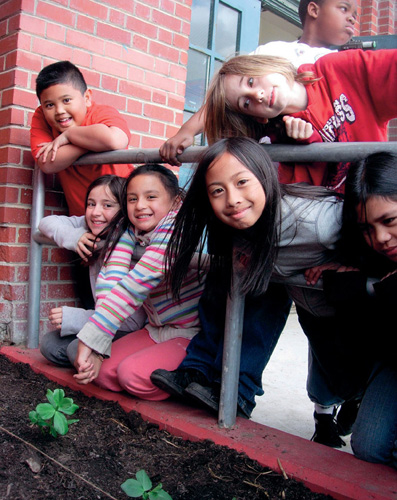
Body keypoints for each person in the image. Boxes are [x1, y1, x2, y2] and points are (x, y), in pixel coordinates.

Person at [151, 138, 366, 430]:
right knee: (327, 382)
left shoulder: (317, 221)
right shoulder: (236, 223)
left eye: (242, 182)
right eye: (217, 191)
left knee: (347, 382)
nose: (232, 199)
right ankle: (205, 375)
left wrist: (351, 260)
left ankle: (359, 400)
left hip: (345, 309)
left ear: (265, 176)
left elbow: (375, 230)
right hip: (307, 305)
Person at [159, 0, 357, 166]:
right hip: (277, 162)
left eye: (354, 14)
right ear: (314, 10)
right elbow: (227, 96)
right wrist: (187, 131)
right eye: (343, 8)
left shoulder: (346, 63)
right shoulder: (275, 51)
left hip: (329, 160)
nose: (352, 18)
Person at [72, 165, 206, 401]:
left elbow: (140, 278)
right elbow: (111, 279)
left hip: (189, 332)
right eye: (132, 199)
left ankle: (197, 378)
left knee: (130, 375)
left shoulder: (179, 224)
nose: (140, 205)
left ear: (175, 202)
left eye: (151, 197)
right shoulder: (129, 232)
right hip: (154, 329)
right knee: (101, 373)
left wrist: (92, 336)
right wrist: (96, 346)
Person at [203, 48, 397, 191]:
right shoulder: (281, 147)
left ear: (265, 65)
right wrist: (307, 145)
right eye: (246, 103)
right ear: (258, 118)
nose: (257, 95)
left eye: (251, 81)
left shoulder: (334, 70)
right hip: (346, 225)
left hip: (381, 198)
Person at [323, 151, 397, 468]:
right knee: (367, 447)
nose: (380, 238)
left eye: (389, 220)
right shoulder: (368, 259)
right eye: (367, 228)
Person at [38, 175, 147, 367]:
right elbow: (46, 222)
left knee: (74, 349)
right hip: (103, 321)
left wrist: (77, 318)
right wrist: (75, 235)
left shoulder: (130, 243)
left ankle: (124, 363)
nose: (96, 212)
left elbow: (132, 322)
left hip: (130, 328)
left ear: (124, 210)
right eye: (91, 204)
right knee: (51, 344)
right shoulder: (90, 226)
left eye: (107, 205)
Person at [30, 60, 134, 216]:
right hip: (85, 221)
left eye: (66, 100)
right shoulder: (42, 116)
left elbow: (116, 140)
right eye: (49, 105)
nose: (59, 110)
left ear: (86, 98)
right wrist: (93, 143)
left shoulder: (101, 112)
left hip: (124, 215)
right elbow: (46, 163)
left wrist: (70, 135)